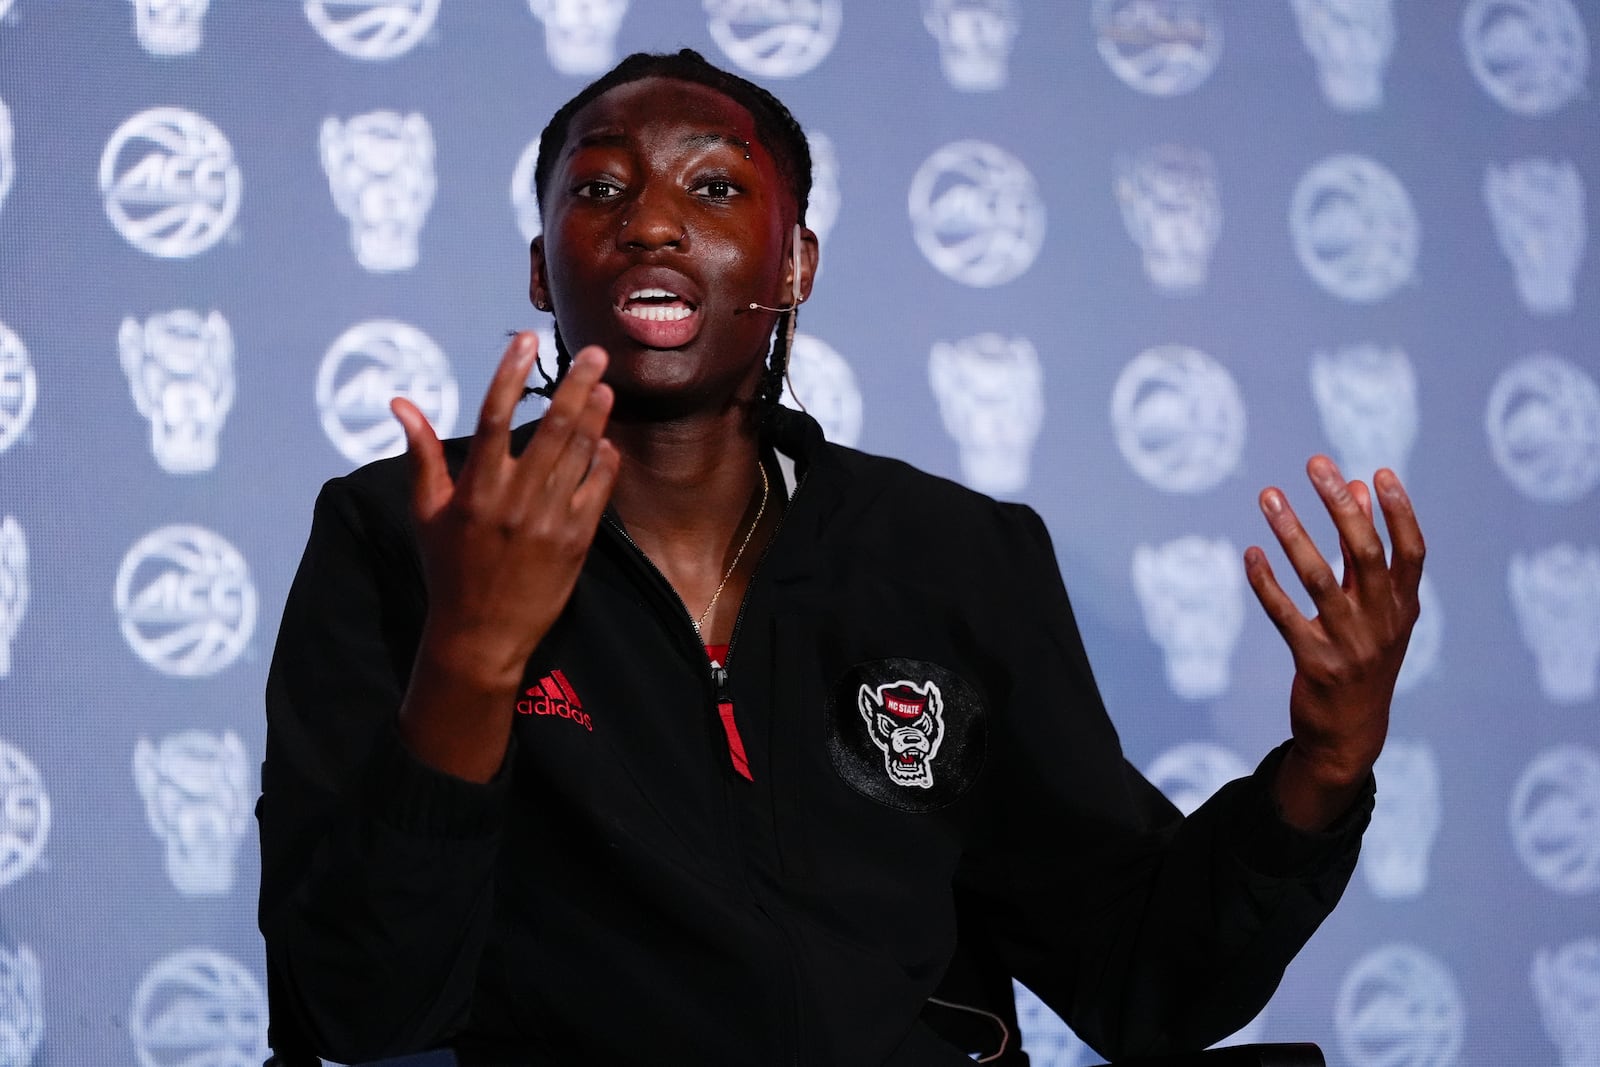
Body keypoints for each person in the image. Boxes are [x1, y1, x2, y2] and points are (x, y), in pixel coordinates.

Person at [257, 49, 1425, 1067]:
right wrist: (469, 656)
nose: (652, 223)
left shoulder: (958, 554)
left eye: (713, 187)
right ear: (538, 266)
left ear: (796, 264)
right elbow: (362, 1005)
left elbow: (1137, 973)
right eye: (601, 189)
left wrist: (1322, 766)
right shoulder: (402, 531)